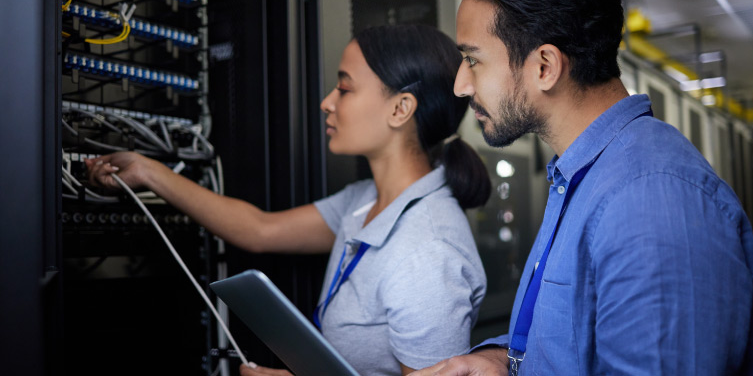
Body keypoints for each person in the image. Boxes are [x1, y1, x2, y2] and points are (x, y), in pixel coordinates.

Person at [412, 0, 753, 375]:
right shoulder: (585, 176)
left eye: (473, 60)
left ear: (544, 66)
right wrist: (501, 361)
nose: (461, 85)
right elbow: (572, 342)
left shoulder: (651, 200)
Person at [86, 24, 491, 376]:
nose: (327, 102)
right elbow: (260, 230)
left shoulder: (426, 252)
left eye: (345, 87)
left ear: (401, 108)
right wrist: (148, 172)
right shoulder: (367, 201)